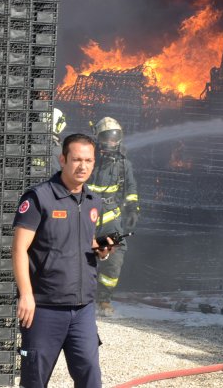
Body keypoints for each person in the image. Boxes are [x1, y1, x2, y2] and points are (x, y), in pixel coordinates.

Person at [12, 133, 115, 388]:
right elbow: (18, 249)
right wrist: (26, 295)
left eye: (89, 160)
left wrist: (100, 249)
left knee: (91, 376)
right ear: (62, 159)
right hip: (45, 308)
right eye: (77, 159)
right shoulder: (38, 198)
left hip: (82, 310)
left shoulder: (93, 201)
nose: (83, 166)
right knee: (35, 380)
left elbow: (80, 242)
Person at [88, 117, 140, 316]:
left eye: (114, 137)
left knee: (114, 259)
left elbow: (131, 189)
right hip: (85, 218)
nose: (110, 141)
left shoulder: (123, 164)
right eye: (106, 137)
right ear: (98, 137)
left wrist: (133, 209)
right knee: (80, 258)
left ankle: (104, 300)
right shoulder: (89, 158)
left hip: (110, 219)